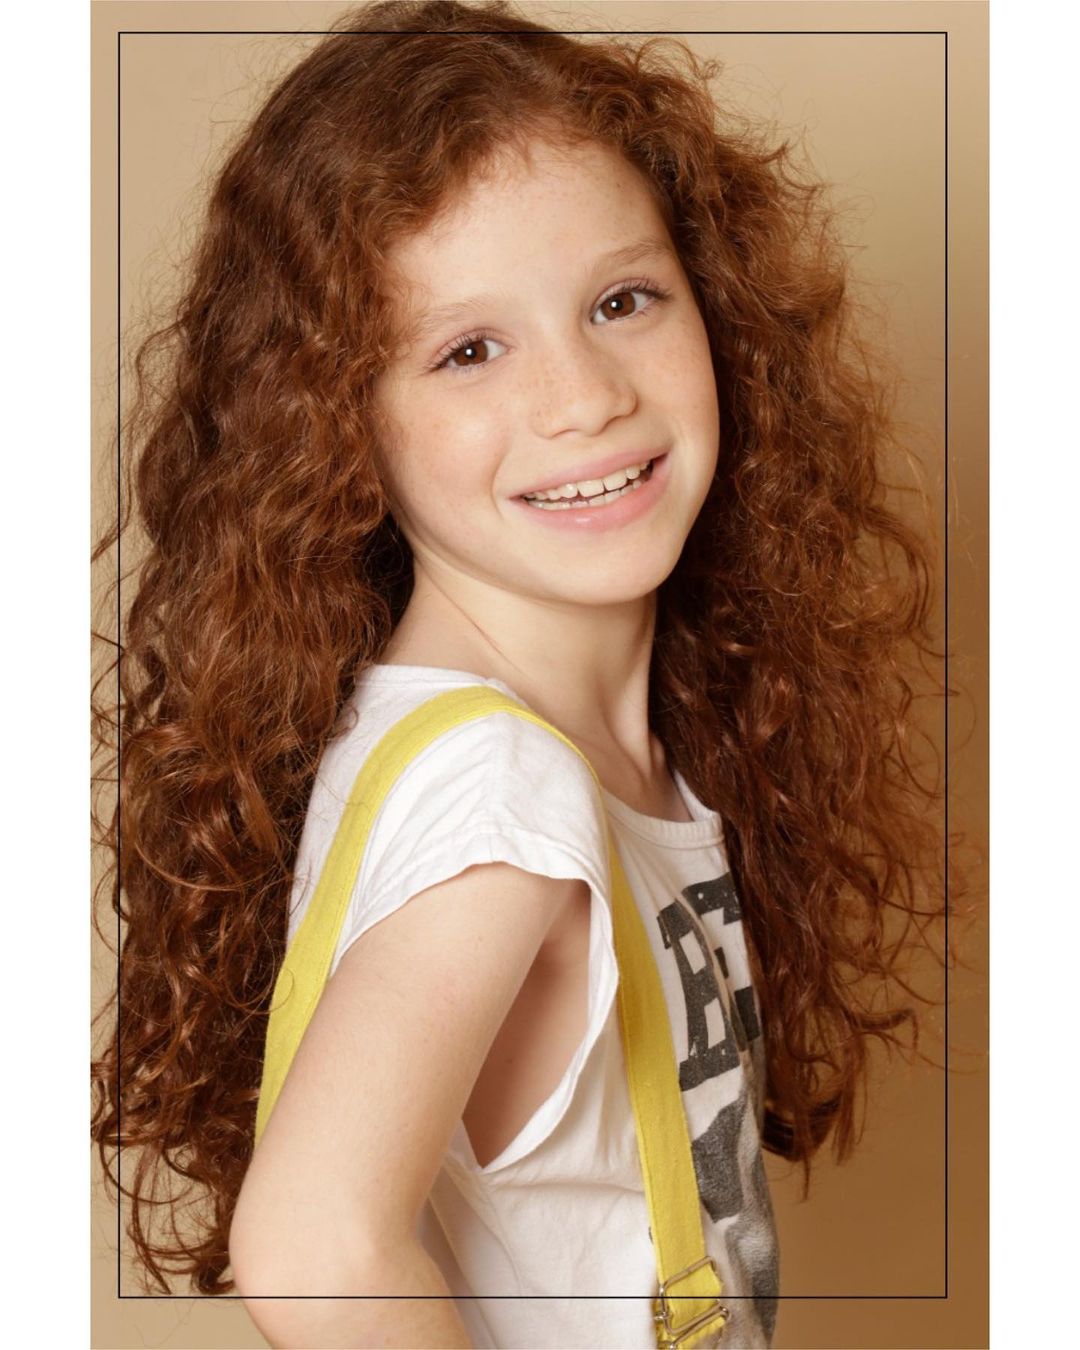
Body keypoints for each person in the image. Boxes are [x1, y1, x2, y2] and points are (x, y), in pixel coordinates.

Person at [91, 2, 949, 1346]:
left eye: (622, 300)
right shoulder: (504, 796)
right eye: (469, 350)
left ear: (712, 307)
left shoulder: (530, 749)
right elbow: (313, 1244)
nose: (584, 395)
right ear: (335, 428)